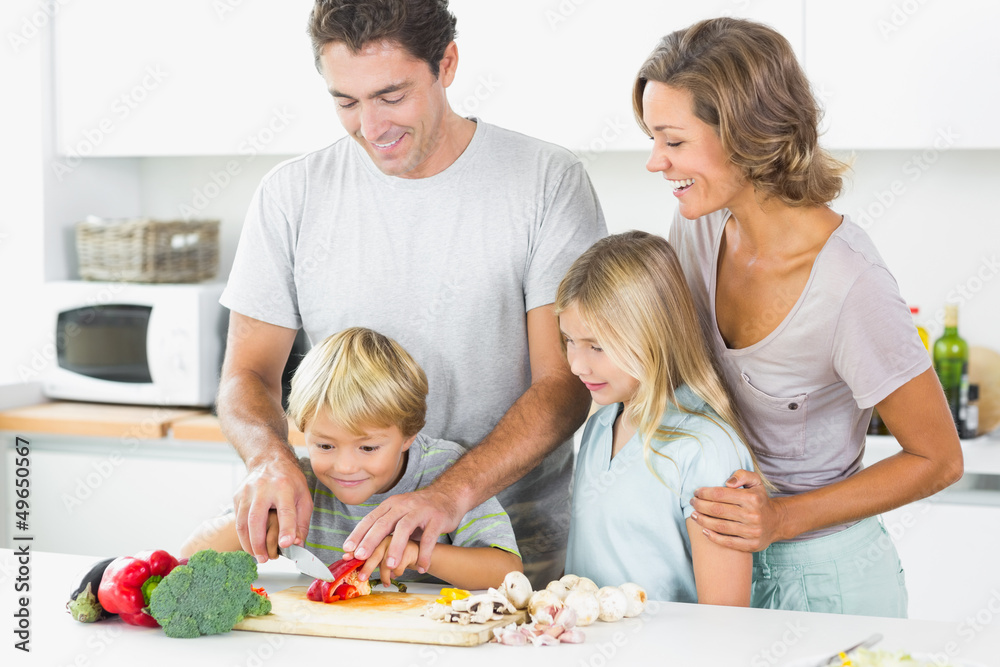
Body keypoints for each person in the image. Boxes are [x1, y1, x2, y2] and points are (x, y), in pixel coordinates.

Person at [218, 0, 605, 587]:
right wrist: (268, 458)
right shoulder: (290, 195)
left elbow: (564, 384)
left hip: (503, 560)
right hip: (340, 556)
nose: (371, 128)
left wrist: (447, 497)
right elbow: (246, 375)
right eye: (346, 102)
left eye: (391, 96)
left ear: (446, 64)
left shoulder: (545, 181)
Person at [632, 17, 963, 615]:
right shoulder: (698, 225)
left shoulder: (849, 283)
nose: (656, 162)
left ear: (745, 135)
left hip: (827, 578)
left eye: (673, 141)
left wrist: (781, 517)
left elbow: (938, 459)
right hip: (719, 563)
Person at [183, 328, 522, 590]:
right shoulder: (298, 485)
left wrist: (417, 552)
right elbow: (187, 558)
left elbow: (506, 572)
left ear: (408, 434)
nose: (344, 467)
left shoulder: (444, 472)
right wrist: (253, 529)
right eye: (325, 446)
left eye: (368, 448)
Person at [557, 231, 763, 605]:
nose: (575, 363)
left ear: (652, 334)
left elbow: (726, 621)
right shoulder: (600, 426)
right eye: (569, 340)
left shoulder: (706, 449)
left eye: (596, 346)